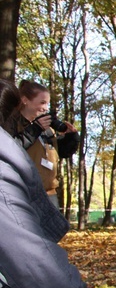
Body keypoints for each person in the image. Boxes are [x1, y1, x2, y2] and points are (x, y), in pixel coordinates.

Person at [0, 79, 116, 288]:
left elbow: (60, 156)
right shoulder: (17, 137)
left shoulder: (45, 133)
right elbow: (35, 263)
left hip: (37, 197)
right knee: (29, 262)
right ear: (21, 103)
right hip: (16, 203)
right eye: (41, 104)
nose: (46, 109)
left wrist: (68, 139)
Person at [4, 80, 79, 209]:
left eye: (47, 104)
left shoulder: (48, 128)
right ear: (25, 100)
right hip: (24, 195)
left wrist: (72, 138)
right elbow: (9, 150)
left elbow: (60, 152)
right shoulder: (11, 124)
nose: (45, 108)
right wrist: (34, 129)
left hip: (50, 194)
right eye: (42, 103)